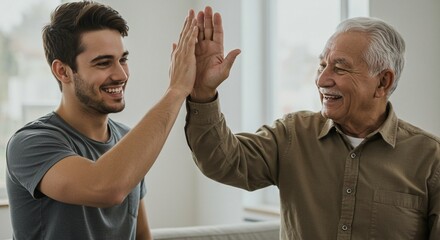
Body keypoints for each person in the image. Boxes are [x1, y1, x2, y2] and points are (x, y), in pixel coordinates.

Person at [185, 6, 440, 240]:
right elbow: (223, 162)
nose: (322, 79)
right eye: (322, 65)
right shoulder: (292, 134)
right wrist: (202, 93)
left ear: (382, 82)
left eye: (340, 68)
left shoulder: (430, 159)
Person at [6, 1, 198, 239]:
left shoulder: (127, 140)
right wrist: (176, 90)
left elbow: (141, 235)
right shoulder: (29, 143)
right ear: (62, 71)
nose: (121, 74)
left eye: (123, 59)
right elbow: (105, 188)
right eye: (104, 63)